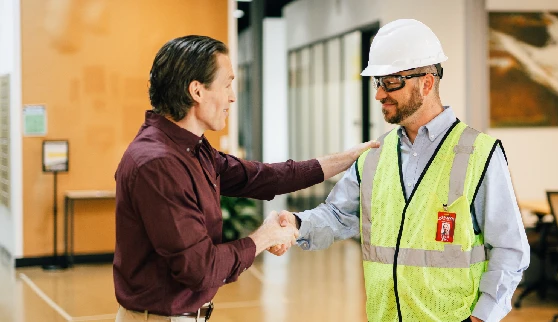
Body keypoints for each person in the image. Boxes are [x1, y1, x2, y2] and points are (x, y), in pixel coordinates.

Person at [273, 19, 530, 322]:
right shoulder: (374, 156)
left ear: (427, 82)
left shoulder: (480, 152)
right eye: (378, 82)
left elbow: (509, 248)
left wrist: (482, 316)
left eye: (392, 81)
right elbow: (339, 215)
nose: (380, 95)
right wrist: (296, 223)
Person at [113, 35, 379, 321]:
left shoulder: (192, 148)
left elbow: (264, 177)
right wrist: (264, 237)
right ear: (197, 91)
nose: (232, 96)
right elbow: (200, 270)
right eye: (227, 84)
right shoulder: (159, 164)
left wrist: (349, 157)